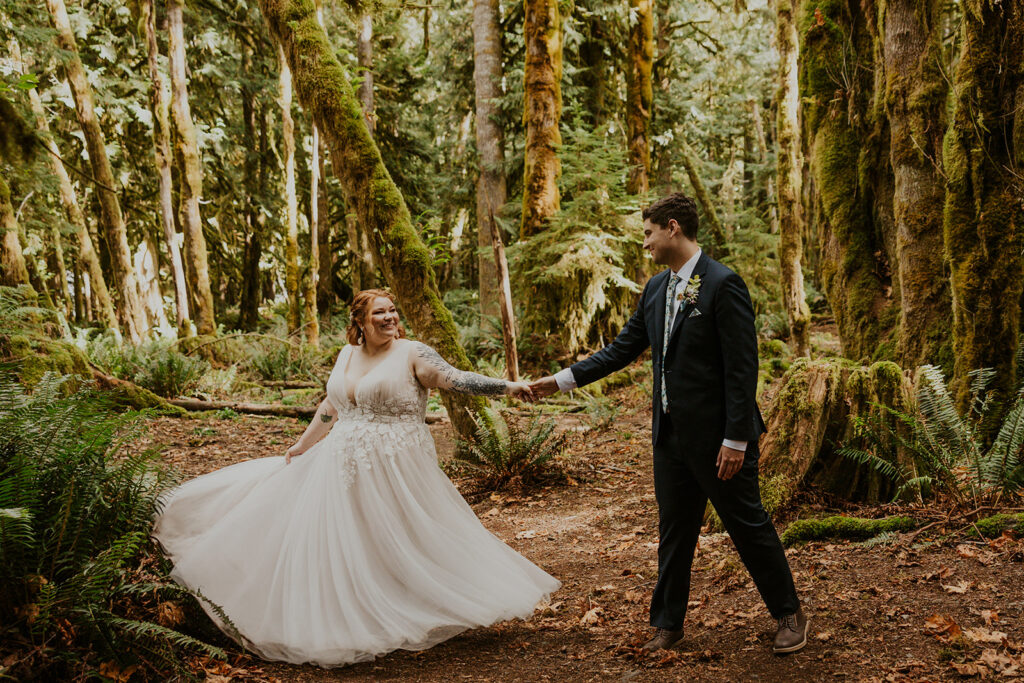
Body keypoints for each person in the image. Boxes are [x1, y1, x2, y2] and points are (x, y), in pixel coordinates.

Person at [153, 289, 559, 667]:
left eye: (392, 311)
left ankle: (424, 597)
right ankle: (349, 609)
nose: (389, 318)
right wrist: (302, 444)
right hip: (339, 459)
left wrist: (508, 387)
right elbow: (332, 404)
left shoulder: (412, 353)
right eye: (379, 312)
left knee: (402, 532)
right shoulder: (347, 354)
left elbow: (458, 379)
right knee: (343, 535)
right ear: (360, 321)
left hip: (397, 462)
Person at [530, 193, 808, 654]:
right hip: (669, 437)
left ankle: (789, 613)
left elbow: (742, 368)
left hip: (722, 439)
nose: (646, 244)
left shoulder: (723, 283)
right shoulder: (656, 289)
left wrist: (736, 438)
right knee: (675, 531)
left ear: (672, 227)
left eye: (648, 234)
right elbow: (620, 351)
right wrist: (558, 382)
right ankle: (668, 624)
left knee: (747, 525)